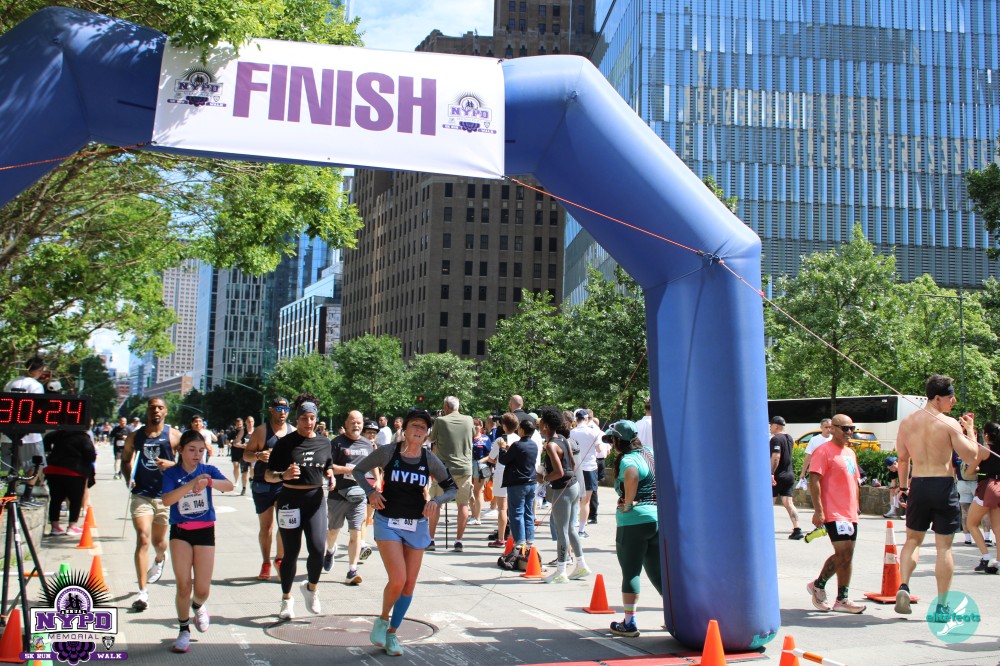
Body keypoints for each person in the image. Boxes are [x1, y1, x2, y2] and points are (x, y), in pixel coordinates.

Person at [351, 408, 457, 658]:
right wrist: (371, 492)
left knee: (409, 584)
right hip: (388, 521)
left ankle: (392, 633)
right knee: (398, 579)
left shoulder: (429, 459)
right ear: (405, 429)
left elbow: (452, 488)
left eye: (423, 427)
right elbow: (358, 471)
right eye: (414, 426)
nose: (418, 430)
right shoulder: (389, 452)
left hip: (417, 525)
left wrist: (436, 501)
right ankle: (382, 620)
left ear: (427, 433)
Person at [894, 375, 978, 615]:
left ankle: (904, 585)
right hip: (942, 484)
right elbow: (971, 455)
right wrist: (970, 431)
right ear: (937, 398)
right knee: (944, 548)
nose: (954, 401)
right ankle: (942, 605)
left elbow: (902, 459)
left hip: (919, 484)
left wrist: (903, 488)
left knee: (912, 540)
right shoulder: (948, 423)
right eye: (951, 397)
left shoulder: (907, 422)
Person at [161, 429, 234, 653]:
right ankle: (183, 629)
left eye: (201, 450)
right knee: (183, 585)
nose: (197, 455)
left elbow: (229, 485)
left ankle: (198, 605)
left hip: (205, 532)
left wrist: (209, 482)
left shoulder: (207, 470)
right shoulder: (172, 474)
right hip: (181, 532)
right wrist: (190, 484)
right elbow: (166, 500)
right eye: (192, 450)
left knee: (202, 589)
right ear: (180, 450)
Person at [264, 395, 334, 620]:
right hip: (290, 501)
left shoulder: (324, 442)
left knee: (318, 549)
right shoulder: (285, 443)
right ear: (297, 419)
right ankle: (286, 599)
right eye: (304, 418)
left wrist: (330, 475)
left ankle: (311, 588)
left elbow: (327, 467)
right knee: (291, 553)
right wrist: (283, 475)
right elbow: (268, 475)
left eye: (312, 418)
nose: (308, 422)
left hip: (315, 500)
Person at [121, 397, 181, 612]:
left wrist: (171, 464)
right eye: (152, 407)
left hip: (165, 496)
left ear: (166, 412)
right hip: (142, 495)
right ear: (147, 411)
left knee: (159, 542)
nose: (156, 410)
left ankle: (159, 558)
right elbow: (125, 459)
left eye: (160, 407)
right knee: (143, 538)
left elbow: (189, 463)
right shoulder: (135, 436)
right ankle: (142, 592)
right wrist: (129, 477)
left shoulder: (174, 436)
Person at [805, 414, 866, 614]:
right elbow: (814, 481)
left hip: (850, 512)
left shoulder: (850, 453)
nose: (849, 432)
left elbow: (854, 481)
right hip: (833, 511)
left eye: (852, 428)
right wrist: (818, 510)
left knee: (848, 556)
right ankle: (819, 585)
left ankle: (842, 599)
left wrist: (857, 505)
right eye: (845, 428)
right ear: (832, 429)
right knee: (843, 553)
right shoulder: (823, 451)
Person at [606, 419, 661, 637]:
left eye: (612, 439)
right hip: (657, 518)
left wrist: (628, 502)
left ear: (618, 440)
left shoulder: (628, 459)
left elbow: (632, 475)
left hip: (633, 521)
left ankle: (629, 622)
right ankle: (679, 616)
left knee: (631, 572)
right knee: (658, 573)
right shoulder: (649, 452)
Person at [536, 407, 589, 583]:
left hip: (562, 489)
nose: (539, 424)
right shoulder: (564, 439)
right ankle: (581, 565)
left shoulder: (551, 445)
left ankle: (561, 570)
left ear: (546, 425)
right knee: (571, 528)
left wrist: (544, 478)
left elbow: (558, 472)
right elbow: (572, 463)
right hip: (573, 486)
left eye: (541, 422)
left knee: (561, 530)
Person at [324, 411, 377, 585]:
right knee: (333, 531)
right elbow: (328, 466)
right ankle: (330, 550)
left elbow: (373, 463)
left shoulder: (367, 444)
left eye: (359, 422)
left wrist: (377, 479)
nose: (356, 425)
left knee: (356, 532)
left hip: (359, 495)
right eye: (353, 422)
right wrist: (350, 470)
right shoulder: (336, 443)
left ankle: (352, 570)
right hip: (338, 494)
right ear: (346, 424)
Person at [244, 397, 291, 580]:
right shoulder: (261, 431)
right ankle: (265, 562)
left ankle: (279, 559)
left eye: (285, 409)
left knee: (285, 523)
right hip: (262, 484)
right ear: (271, 410)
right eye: (278, 409)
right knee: (266, 527)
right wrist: (258, 455)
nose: (282, 412)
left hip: (283, 483)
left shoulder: (292, 431)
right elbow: (246, 455)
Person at [427, 396, 474, 552]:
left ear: (446, 406)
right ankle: (459, 541)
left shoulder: (440, 421)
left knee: (436, 502)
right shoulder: (469, 420)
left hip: (444, 469)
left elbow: (431, 439)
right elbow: (473, 436)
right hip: (464, 469)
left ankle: (431, 539)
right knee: (463, 504)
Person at [3, 356, 47, 507]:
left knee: (10, 466)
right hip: (30, 435)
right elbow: (37, 409)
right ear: (40, 370)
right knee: (35, 465)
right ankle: (27, 496)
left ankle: (9, 495)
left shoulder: (10, 383)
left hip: (7, 433)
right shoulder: (36, 386)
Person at [42, 429, 96, 536]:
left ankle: (55, 527)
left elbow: (46, 439)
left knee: (55, 499)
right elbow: (90, 455)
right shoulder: (83, 437)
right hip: (75, 471)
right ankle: (72, 526)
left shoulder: (59, 434)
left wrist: (48, 451)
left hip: (54, 470)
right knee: (75, 500)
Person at [498, 418, 539, 557]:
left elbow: (503, 460)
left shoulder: (517, 445)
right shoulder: (533, 445)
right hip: (531, 481)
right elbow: (521, 457)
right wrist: (509, 449)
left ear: (521, 429)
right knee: (528, 513)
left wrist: (502, 448)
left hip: (517, 483)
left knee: (516, 513)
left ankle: (520, 542)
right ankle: (529, 540)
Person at [967, 422, 1000, 573]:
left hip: (988, 488)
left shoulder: (985, 449)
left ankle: (986, 557)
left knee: (971, 523)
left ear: (986, 435)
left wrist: (980, 469)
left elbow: (970, 471)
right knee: (997, 528)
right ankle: (999, 562)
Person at [486, 412, 519, 548]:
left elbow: (491, 458)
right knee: (514, 508)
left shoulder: (499, 440)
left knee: (502, 509)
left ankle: (501, 538)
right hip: (515, 474)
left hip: (501, 473)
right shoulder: (518, 439)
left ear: (504, 426)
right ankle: (514, 537)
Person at [770, 416, 803, 539]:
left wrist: (771, 473)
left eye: (771, 425)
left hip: (777, 475)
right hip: (789, 474)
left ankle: (766, 529)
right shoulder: (789, 438)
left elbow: (776, 456)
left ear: (776, 426)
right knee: (789, 503)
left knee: (769, 502)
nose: (770, 428)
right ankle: (797, 529)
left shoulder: (775, 439)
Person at [571, 409, 601, 538]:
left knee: (573, 500)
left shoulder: (572, 432)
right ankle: (581, 530)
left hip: (575, 468)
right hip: (589, 468)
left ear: (576, 420)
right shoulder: (593, 431)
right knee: (585, 501)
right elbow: (599, 449)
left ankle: (571, 528)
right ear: (587, 419)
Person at [470, 416, 491, 526]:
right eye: (473, 424)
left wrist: (482, 461)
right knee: (468, 492)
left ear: (481, 426)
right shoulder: (467, 438)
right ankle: (473, 514)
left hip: (481, 466)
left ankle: (477, 517)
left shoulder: (486, 439)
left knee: (477, 492)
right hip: (468, 466)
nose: (475, 426)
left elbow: (491, 455)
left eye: (477, 424)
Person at [799, 419, 833, 484]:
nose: (828, 429)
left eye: (830, 427)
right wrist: (803, 472)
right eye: (826, 427)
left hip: (830, 471)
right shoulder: (814, 439)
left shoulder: (834, 439)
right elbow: (808, 456)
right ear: (821, 427)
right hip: (817, 471)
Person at [228, 418, 245, 492]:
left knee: (244, 469)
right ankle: (236, 481)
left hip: (243, 452)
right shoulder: (233, 432)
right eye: (238, 424)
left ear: (242, 423)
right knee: (236, 466)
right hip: (235, 451)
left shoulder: (245, 431)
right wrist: (228, 444)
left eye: (240, 424)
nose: (239, 425)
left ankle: (244, 482)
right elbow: (228, 440)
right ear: (236, 424)